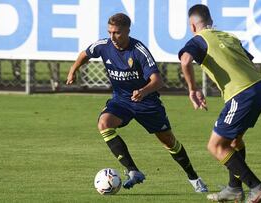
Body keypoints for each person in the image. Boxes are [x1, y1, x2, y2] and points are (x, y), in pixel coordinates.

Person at [66, 13, 208, 192]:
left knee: (169, 142)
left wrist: (143, 91)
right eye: (110, 32)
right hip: (121, 101)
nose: (112, 37)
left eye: (117, 33)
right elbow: (85, 54)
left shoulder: (139, 50)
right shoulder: (104, 45)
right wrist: (73, 70)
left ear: (127, 31)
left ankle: (193, 178)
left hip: (147, 103)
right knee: (104, 123)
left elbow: (158, 81)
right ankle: (133, 170)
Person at [178, 4, 261, 203]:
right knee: (235, 141)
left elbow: (185, 61)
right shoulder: (229, 37)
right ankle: (234, 189)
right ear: (211, 21)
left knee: (216, 146)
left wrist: (193, 89)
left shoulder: (199, 40)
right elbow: (253, 67)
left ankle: (257, 187)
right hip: (260, 89)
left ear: (192, 26)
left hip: (242, 95)